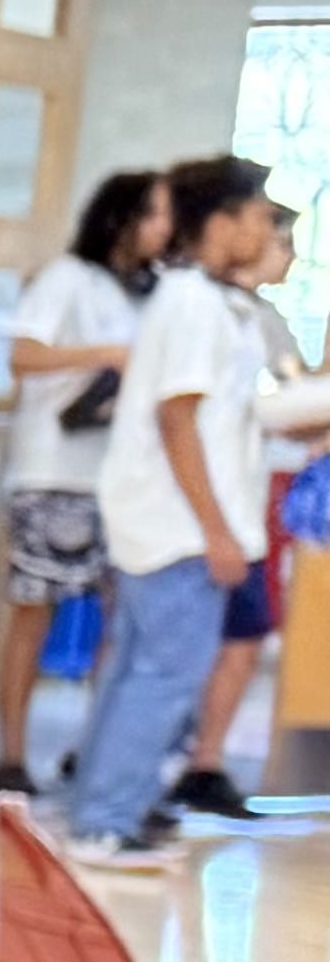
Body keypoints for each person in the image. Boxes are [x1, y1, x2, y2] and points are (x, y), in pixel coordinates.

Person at [73, 155, 284, 860]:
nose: (266, 230)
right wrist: (217, 531)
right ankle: (107, 819)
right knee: (165, 676)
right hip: (177, 529)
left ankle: (105, 806)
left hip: (162, 523)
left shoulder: (201, 301)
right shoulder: (193, 304)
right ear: (222, 223)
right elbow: (177, 420)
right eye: (259, 217)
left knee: (138, 671)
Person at [0, 167, 162, 786]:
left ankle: (94, 750)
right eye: (154, 215)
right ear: (121, 219)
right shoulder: (67, 280)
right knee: (32, 615)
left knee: (119, 621)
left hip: (117, 478)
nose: (164, 230)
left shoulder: (150, 293)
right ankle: (11, 755)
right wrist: (104, 356)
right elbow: (23, 356)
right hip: (52, 472)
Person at [183, 208, 306, 824]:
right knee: (186, 643)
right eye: (280, 240)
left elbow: (297, 393)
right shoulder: (203, 309)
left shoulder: (266, 319)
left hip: (250, 501)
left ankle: (203, 761)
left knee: (244, 636)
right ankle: (175, 764)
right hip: (208, 507)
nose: (286, 255)